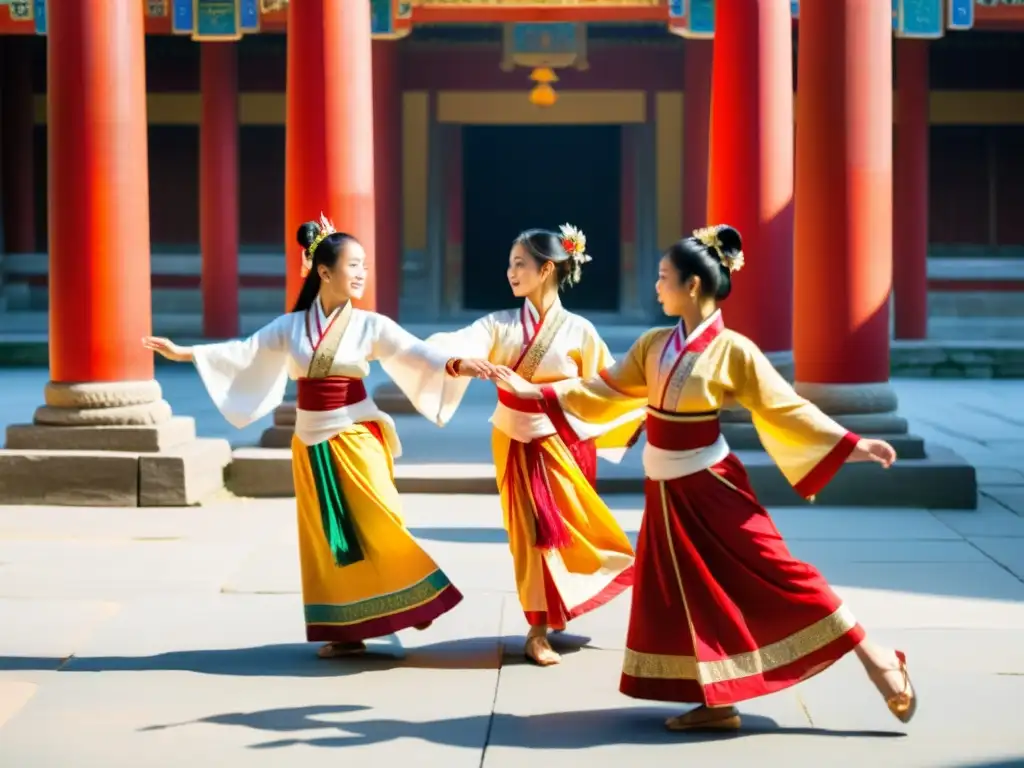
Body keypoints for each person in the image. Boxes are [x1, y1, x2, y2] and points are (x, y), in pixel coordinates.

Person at [497, 225, 916, 728]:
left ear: (692, 285)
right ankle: (718, 703)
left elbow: (785, 407)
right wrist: (535, 393)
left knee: (782, 574)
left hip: (713, 487)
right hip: (667, 493)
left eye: (663, 277)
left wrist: (852, 443)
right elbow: (602, 389)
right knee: (687, 595)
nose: (656, 287)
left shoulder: (733, 349)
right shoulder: (654, 344)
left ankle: (877, 657)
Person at [143, 215, 505, 659]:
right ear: (324, 271)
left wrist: (459, 365)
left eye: (365, 266)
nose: (360, 274)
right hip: (310, 441)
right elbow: (245, 351)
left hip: (355, 433)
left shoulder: (371, 324)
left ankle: (414, 594)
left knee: (380, 517)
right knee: (331, 542)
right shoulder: (290, 327)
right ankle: (347, 629)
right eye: (353, 265)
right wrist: (187, 353)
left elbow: (417, 352)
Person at [426, 224, 644, 666]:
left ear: (547, 269)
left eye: (519, 264)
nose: (510, 272)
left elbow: (606, 386)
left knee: (569, 533)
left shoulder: (579, 331)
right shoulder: (499, 325)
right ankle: (538, 628)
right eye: (509, 265)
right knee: (529, 538)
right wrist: (457, 360)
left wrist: (553, 393)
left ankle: (558, 608)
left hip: (563, 444)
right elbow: (451, 343)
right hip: (513, 440)